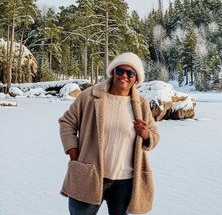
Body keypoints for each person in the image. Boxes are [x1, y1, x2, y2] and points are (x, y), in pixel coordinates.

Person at [59, 52, 159, 215]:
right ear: (113, 72)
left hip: (125, 182)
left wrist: (146, 134)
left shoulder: (141, 104)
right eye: (120, 71)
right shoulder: (89, 96)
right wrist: (73, 151)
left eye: (130, 73)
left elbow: (154, 135)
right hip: (89, 175)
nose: (124, 76)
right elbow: (67, 122)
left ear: (136, 79)